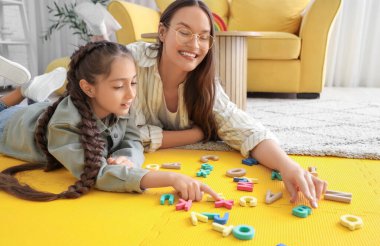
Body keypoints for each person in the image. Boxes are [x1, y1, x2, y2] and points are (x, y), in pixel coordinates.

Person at [122, 0, 327, 208]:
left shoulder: (205, 82)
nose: (194, 45)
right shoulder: (129, 63)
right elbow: (122, 134)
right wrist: (197, 134)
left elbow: (245, 129)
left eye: (203, 37)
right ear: (162, 32)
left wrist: (288, 166)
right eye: (184, 32)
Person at [0, 41, 220, 202]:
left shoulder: (120, 106)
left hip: (41, 110)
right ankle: (21, 91)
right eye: (118, 86)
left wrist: (126, 158)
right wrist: (170, 178)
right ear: (88, 88)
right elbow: (97, 173)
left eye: (133, 83)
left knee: (32, 107)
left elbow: (133, 140)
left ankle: (26, 91)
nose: (130, 94)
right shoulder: (64, 126)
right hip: (10, 125)